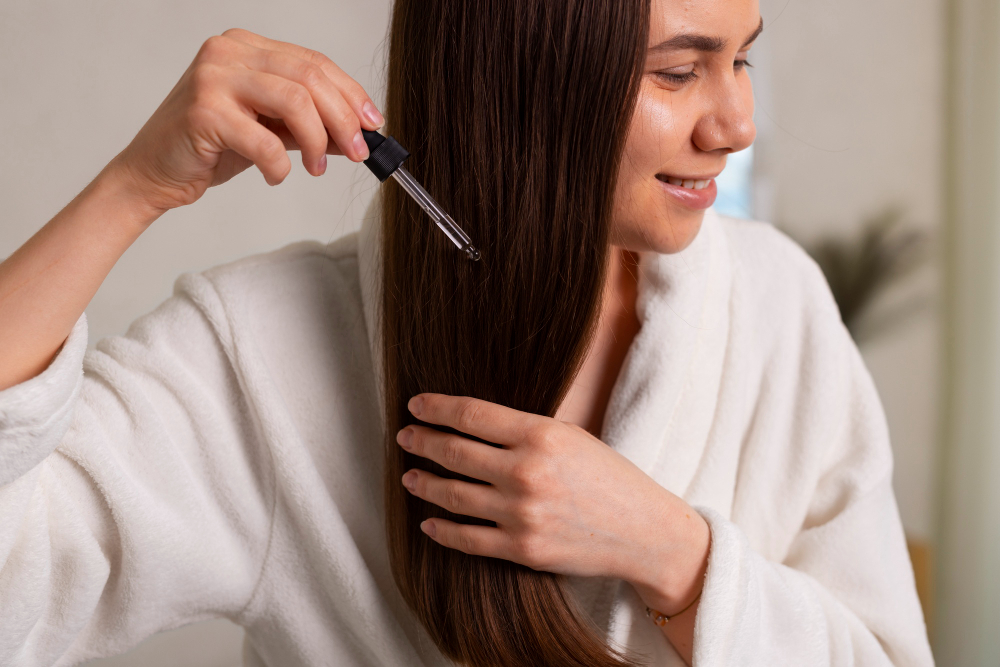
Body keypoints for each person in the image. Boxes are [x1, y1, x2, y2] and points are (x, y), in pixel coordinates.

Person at [0, 0, 934, 665]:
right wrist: (137, 186)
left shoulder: (780, 305)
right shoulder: (264, 353)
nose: (739, 123)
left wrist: (672, 552)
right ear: (525, 79)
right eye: (680, 71)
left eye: (743, 60)